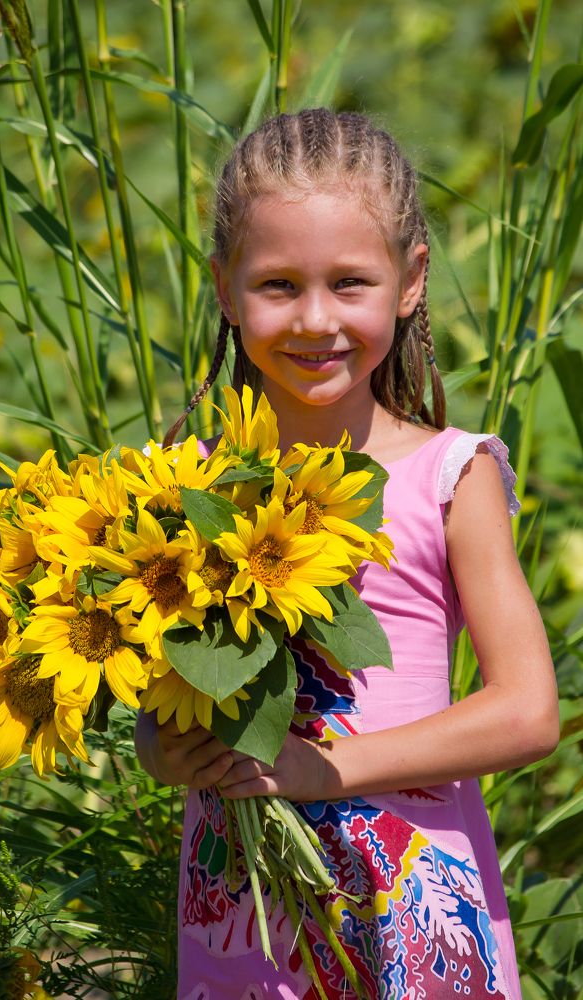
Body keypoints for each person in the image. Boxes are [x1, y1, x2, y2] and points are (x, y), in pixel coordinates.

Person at [135, 108, 559, 1000]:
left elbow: (526, 712)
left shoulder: (449, 475)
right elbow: (164, 703)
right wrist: (165, 750)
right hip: (241, 910)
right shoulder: (183, 490)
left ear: (410, 281)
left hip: (413, 906)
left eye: (350, 282)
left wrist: (315, 769)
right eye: (279, 285)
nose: (315, 320)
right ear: (222, 287)